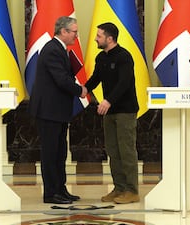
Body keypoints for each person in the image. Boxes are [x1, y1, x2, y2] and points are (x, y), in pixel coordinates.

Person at [28, 16, 87, 204]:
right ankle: (51, 193)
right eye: (74, 32)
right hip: (49, 111)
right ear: (63, 31)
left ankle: (61, 189)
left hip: (57, 111)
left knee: (60, 152)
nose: (76, 36)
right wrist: (80, 90)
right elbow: (61, 79)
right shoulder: (52, 50)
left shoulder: (60, 49)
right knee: (50, 153)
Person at [84, 22, 140, 204]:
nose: (95, 39)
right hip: (109, 112)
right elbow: (95, 78)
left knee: (126, 151)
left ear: (110, 38)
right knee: (113, 151)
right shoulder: (101, 57)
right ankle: (119, 188)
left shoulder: (124, 57)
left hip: (125, 110)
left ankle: (132, 190)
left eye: (99, 36)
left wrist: (108, 100)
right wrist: (83, 89)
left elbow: (124, 83)